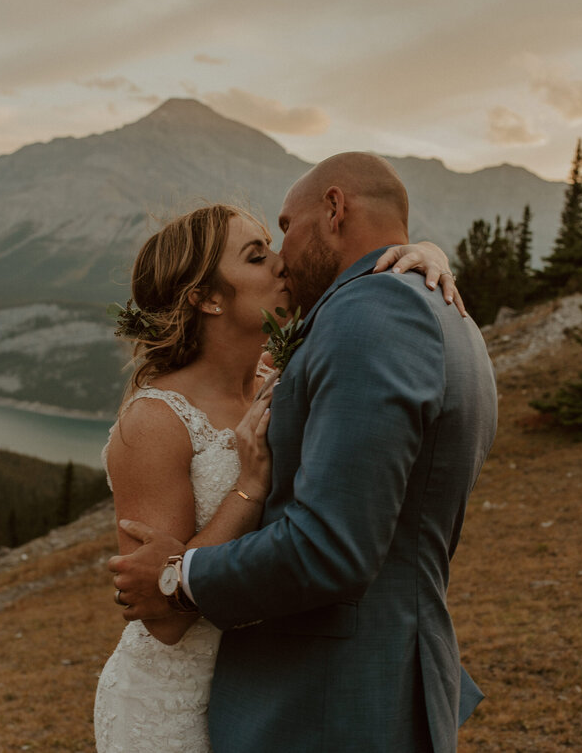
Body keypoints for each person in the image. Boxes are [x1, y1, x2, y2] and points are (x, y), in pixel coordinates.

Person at [109, 153, 498, 753]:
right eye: (258, 254)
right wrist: (246, 492)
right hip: (192, 699)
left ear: (335, 209)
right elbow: (159, 616)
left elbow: (331, 534)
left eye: (278, 237)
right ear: (208, 299)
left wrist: (179, 570)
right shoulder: (157, 420)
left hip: (320, 687)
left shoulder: (358, 323)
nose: (282, 258)